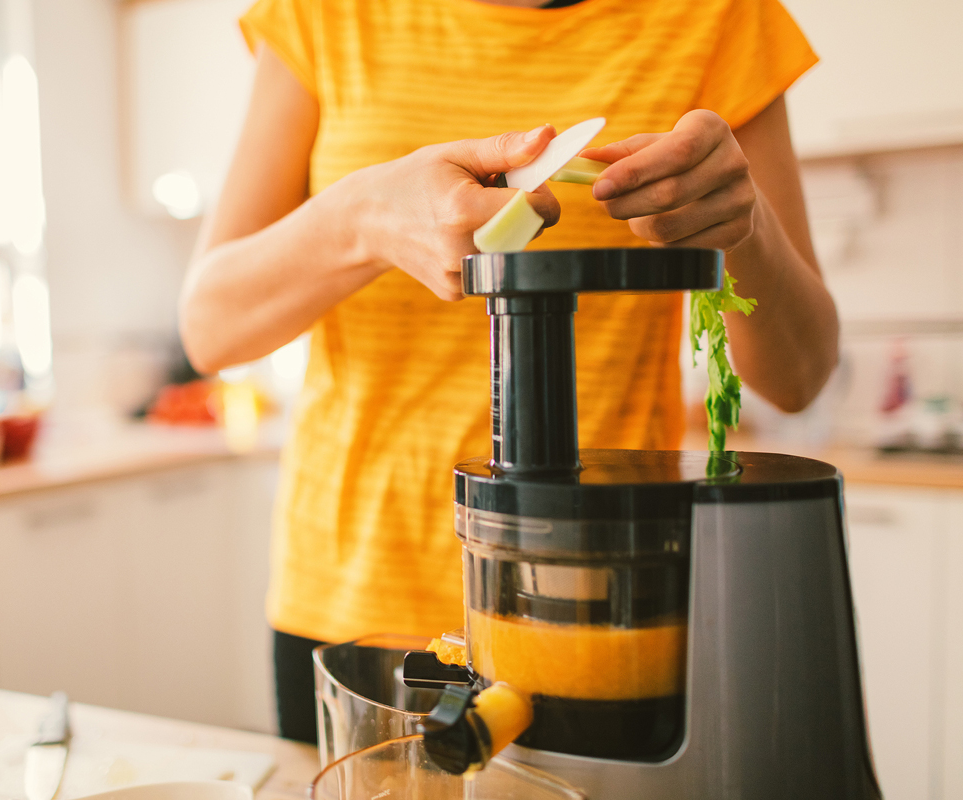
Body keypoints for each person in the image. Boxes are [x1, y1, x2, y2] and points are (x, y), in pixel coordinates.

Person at [179, 0, 839, 743]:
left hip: (603, 604)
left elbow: (800, 373)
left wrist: (743, 230)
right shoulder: (323, 14)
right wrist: (360, 217)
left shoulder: (720, 18)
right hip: (352, 605)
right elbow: (209, 328)